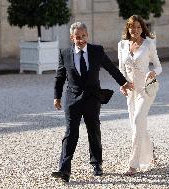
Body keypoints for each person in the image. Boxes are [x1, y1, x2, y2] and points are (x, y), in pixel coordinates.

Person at [52, 22, 134, 182]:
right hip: (72, 99)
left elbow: (111, 67)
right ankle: (64, 169)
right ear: (72, 37)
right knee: (70, 133)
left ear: (87, 36)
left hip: (92, 98)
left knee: (93, 131)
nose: (81, 40)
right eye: (77, 37)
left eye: (83, 36)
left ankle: (97, 164)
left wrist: (123, 83)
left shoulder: (97, 51)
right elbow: (60, 76)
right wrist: (57, 96)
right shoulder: (65, 53)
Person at [118, 15, 162, 176]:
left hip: (145, 91)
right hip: (130, 91)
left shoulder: (149, 44)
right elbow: (121, 68)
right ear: (127, 29)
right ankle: (150, 152)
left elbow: (159, 67)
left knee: (137, 122)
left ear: (142, 28)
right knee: (137, 125)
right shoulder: (122, 45)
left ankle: (133, 165)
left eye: (138, 27)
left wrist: (153, 72)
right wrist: (122, 84)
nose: (135, 30)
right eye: (132, 27)